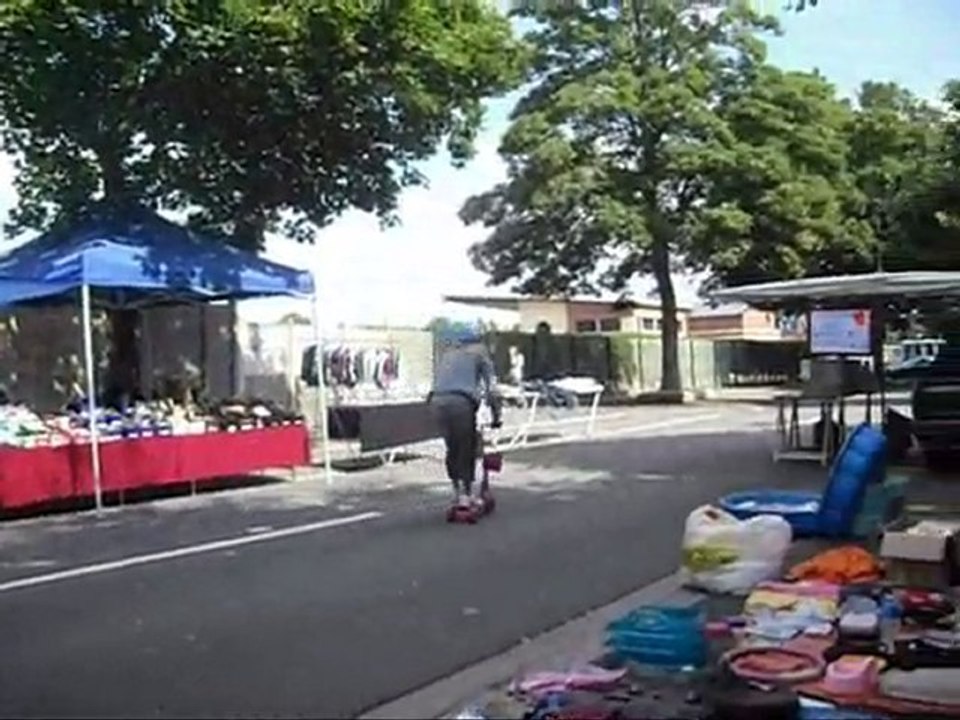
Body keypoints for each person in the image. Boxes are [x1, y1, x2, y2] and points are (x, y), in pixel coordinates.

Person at [428, 326, 502, 511]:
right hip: (461, 402)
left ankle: (456, 491)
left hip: (437, 401)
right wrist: (496, 415)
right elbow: (492, 389)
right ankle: (466, 496)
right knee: (466, 447)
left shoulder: (448, 353)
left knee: (452, 446)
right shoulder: (481, 352)